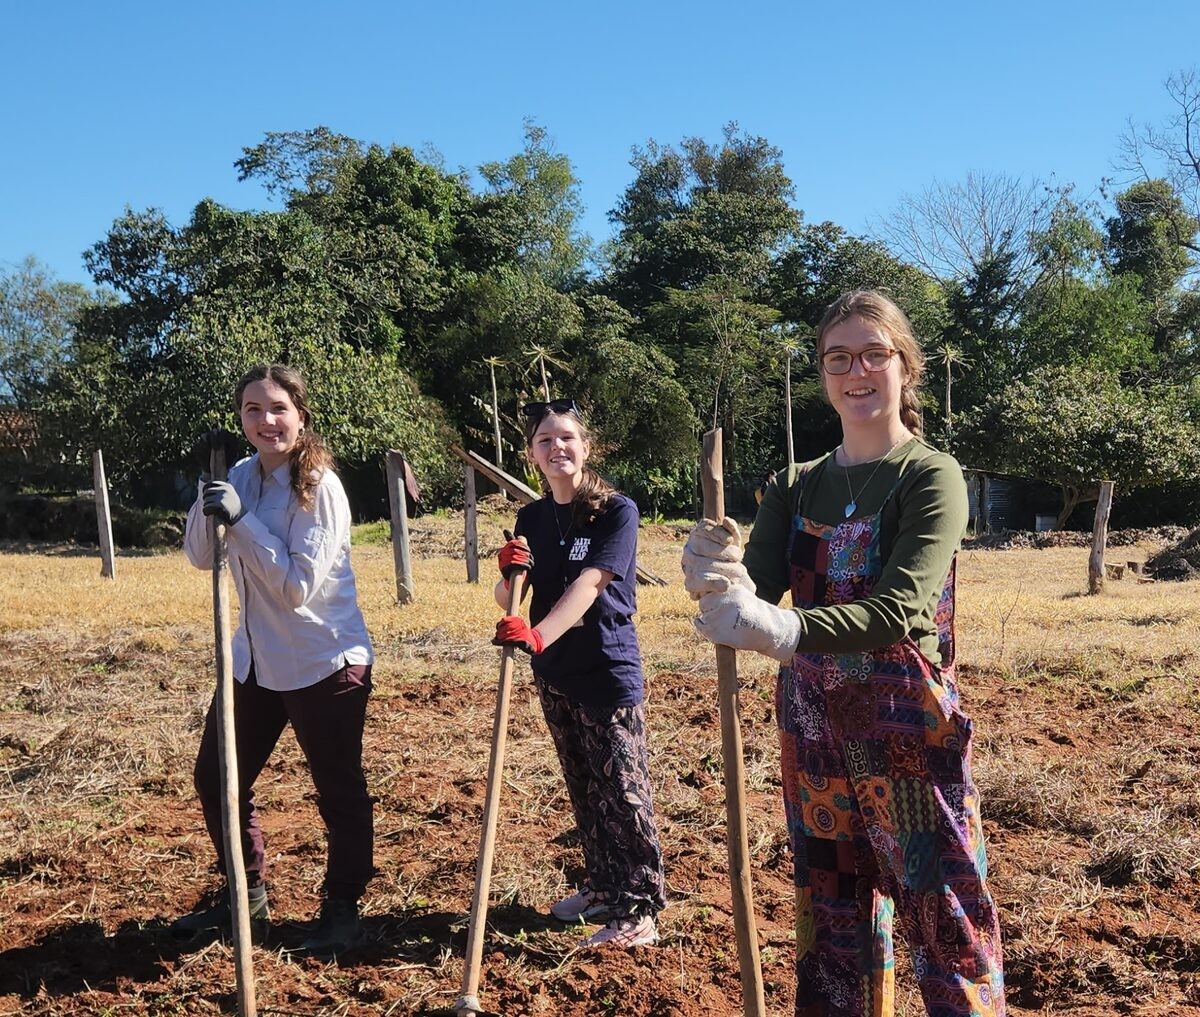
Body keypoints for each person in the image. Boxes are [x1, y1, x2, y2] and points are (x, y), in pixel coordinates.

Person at [683, 291, 1005, 1016]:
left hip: (906, 733)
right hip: (814, 730)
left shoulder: (930, 476)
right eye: (838, 358)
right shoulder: (795, 484)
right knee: (832, 917)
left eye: (873, 354)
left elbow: (899, 609)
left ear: (905, 367)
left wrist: (785, 630)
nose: (856, 371)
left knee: (944, 916)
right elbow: (751, 592)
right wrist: (713, 573)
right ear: (823, 375)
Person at [174, 363, 375, 956]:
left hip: (324, 661)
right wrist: (205, 503)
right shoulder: (238, 475)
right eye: (252, 410)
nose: (266, 421)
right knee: (217, 778)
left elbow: (295, 589)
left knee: (337, 789)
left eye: (277, 408)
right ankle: (246, 896)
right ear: (240, 420)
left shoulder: (321, 488)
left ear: (301, 414)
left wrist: (242, 521)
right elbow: (199, 557)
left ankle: (343, 910)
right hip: (255, 663)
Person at [492, 398, 665, 948]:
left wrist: (539, 633)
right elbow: (515, 596)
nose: (557, 448)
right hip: (556, 673)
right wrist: (509, 576)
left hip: (606, 668)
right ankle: (600, 886)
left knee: (623, 791)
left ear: (585, 447)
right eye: (545, 441)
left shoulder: (616, 511)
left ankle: (638, 906)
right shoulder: (533, 518)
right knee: (585, 788)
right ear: (532, 455)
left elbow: (590, 585)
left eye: (566, 437)